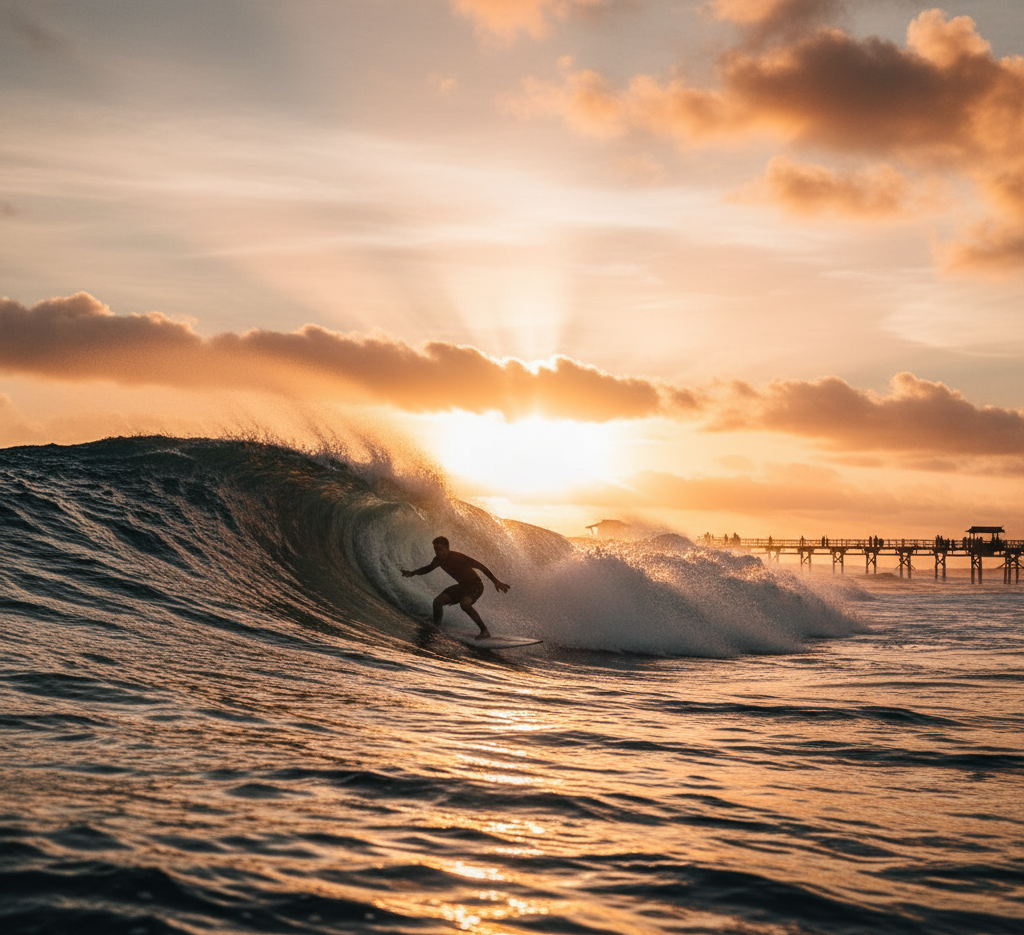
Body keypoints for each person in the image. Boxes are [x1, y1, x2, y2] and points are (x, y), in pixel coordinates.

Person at [401, 536, 510, 638]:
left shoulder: (458, 557)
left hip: (475, 586)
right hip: (462, 586)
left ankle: (484, 631)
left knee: (464, 604)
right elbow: (427, 568)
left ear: (447, 548)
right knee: (438, 602)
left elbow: (480, 566)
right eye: (435, 549)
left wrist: (495, 581)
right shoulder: (438, 560)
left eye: (440, 549)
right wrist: (412, 573)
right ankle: (436, 626)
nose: (437, 551)